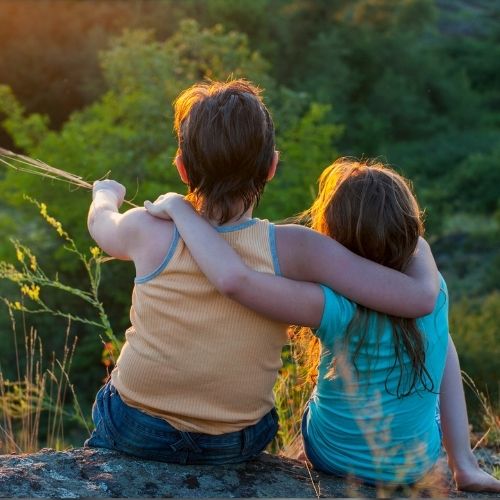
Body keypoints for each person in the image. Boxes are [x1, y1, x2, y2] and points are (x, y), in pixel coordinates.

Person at [84, 80, 439, 465]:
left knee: (113, 395)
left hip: (136, 426)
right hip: (235, 439)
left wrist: (105, 193)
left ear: (183, 169)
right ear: (271, 166)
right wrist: (419, 244)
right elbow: (417, 298)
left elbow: (102, 225)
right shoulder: (298, 248)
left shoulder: (145, 228)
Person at [144, 158, 500, 492]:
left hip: (332, 457)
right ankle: (464, 464)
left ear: (334, 235)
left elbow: (243, 283)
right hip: (413, 465)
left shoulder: (328, 303)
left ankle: (306, 446)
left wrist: (181, 210)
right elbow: (419, 249)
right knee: (441, 339)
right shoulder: (433, 289)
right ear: (407, 228)